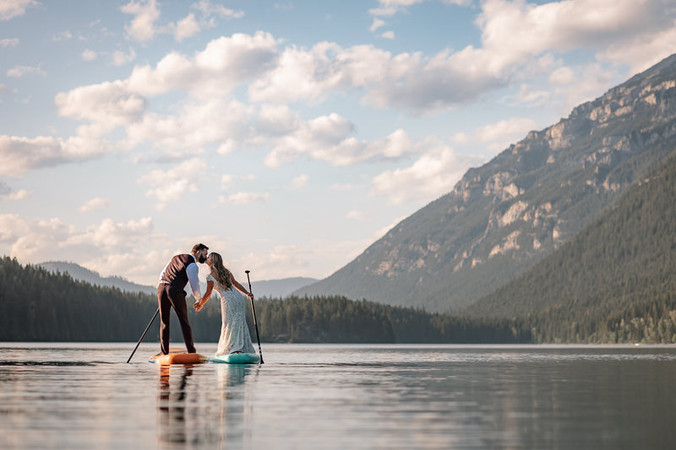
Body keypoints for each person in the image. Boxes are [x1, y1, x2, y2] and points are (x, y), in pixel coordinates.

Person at [193, 252, 256, 356]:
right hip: (238, 298)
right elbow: (235, 284)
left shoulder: (210, 277)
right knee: (238, 321)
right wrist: (247, 293)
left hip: (228, 300)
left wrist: (201, 304)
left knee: (229, 323)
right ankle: (240, 348)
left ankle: (233, 348)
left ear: (212, 261)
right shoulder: (226, 272)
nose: (206, 258)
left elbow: (208, 294)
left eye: (208, 257)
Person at [157, 243, 209, 355]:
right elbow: (194, 284)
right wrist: (198, 299)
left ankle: (164, 352)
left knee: (164, 322)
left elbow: (162, 274)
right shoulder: (192, 265)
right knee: (184, 321)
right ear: (198, 252)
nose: (205, 257)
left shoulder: (175, 257)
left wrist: (163, 291)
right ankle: (191, 352)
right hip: (174, 290)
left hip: (161, 288)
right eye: (205, 254)